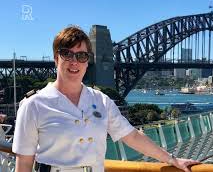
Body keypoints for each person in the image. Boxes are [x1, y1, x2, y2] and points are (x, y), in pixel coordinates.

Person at [12, 26, 200, 172]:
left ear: (88, 61)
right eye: (66, 54)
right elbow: (24, 162)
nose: (74, 62)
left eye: (82, 55)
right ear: (56, 58)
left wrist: (171, 159)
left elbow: (132, 136)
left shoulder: (101, 101)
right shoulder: (33, 105)